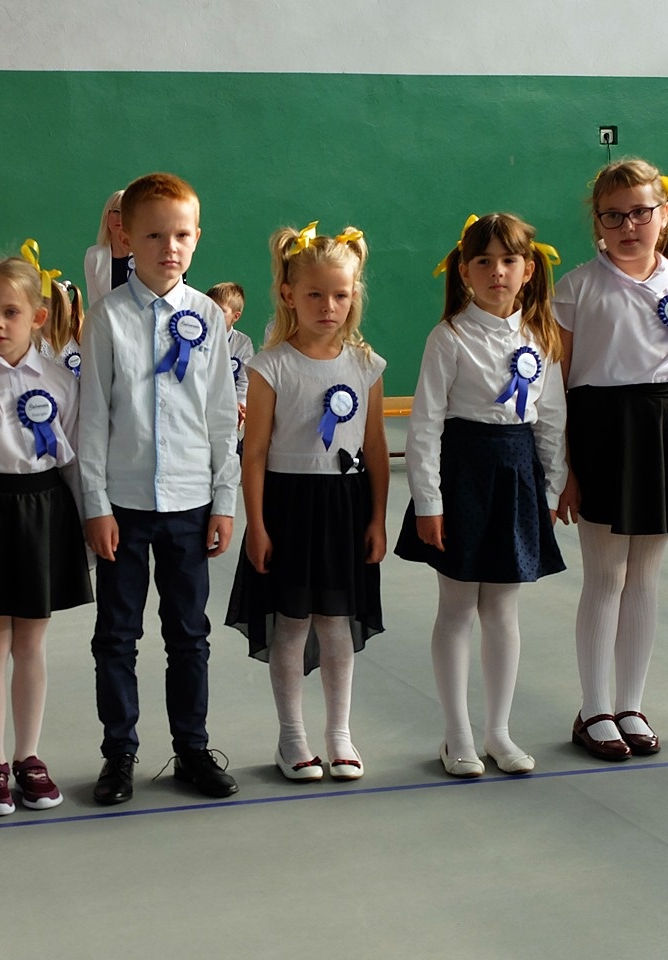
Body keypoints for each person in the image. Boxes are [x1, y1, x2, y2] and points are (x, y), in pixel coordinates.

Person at [78, 172, 241, 804]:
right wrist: (96, 505)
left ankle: (192, 750)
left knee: (189, 635)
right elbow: (93, 418)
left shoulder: (208, 317)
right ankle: (119, 753)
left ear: (197, 237)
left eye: (180, 235)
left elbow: (221, 416)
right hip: (123, 507)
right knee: (116, 637)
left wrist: (224, 500)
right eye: (152, 236)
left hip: (190, 505)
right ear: (125, 238)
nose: (168, 248)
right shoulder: (108, 317)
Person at [554, 159, 668, 761]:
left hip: (666, 434)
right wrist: (565, 468)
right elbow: (558, 384)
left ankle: (630, 704)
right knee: (606, 577)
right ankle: (595, 708)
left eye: (640, 213)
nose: (629, 226)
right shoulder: (577, 288)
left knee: (645, 577)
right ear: (597, 222)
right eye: (613, 216)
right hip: (603, 435)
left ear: (664, 214)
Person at [395, 213, 567, 778]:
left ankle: (498, 731)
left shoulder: (541, 338)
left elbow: (550, 420)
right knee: (457, 606)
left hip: (517, 478)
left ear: (528, 270)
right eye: (484, 261)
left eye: (509, 261)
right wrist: (429, 502)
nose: (498, 272)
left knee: (502, 608)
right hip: (461, 476)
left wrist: (551, 489)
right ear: (464, 272)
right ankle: (458, 735)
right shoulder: (448, 338)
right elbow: (425, 425)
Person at [225, 221, 389, 782]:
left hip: (344, 506)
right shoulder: (270, 365)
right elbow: (253, 453)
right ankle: (291, 736)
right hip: (289, 506)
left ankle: (340, 734)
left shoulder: (366, 365)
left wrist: (376, 518)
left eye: (340, 295)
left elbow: (375, 448)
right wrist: (256, 524)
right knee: (292, 624)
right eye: (315, 294)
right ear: (289, 294)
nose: (328, 306)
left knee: (337, 622)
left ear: (354, 295)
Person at [0, 257, 93, 815]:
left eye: (10, 312)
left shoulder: (62, 382)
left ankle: (29, 757)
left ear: (38, 317)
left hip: (45, 515)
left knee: (31, 643)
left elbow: (74, 465)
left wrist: (83, 536)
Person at [207, 281, 254, 434]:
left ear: (235, 316)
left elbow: (245, 381)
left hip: (227, 413)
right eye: (209, 307)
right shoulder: (195, 337)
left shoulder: (242, 343)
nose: (212, 314)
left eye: (220, 310)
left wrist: (239, 404)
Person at [83, 189, 130, 306]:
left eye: (126, 211)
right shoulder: (93, 256)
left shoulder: (144, 254)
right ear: (107, 216)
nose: (120, 217)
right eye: (116, 211)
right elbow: (94, 303)